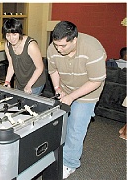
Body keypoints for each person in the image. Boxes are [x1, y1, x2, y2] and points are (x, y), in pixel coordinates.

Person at [47, 21, 106, 178]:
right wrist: (58, 89)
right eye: (56, 45)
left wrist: (72, 97)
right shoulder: (53, 48)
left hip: (88, 91)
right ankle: (59, 151)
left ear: (74, 39)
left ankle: (69, 163)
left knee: (75, 127)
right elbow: (53, 70)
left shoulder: (92, 48)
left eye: (63, 46)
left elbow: (96, 80)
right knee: (60, 122)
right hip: (66, 88)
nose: (58, 49)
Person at [2, 18, 46, 95]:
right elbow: (11, 65)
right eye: (8, 35)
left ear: (20, 33)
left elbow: (40, 68)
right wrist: (7, 81)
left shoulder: (31, 45)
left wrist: (29, 85)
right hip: (20, 81)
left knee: (27, 105)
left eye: (14, 34)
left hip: (35, 82)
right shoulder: (7, 44)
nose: (11, 38)